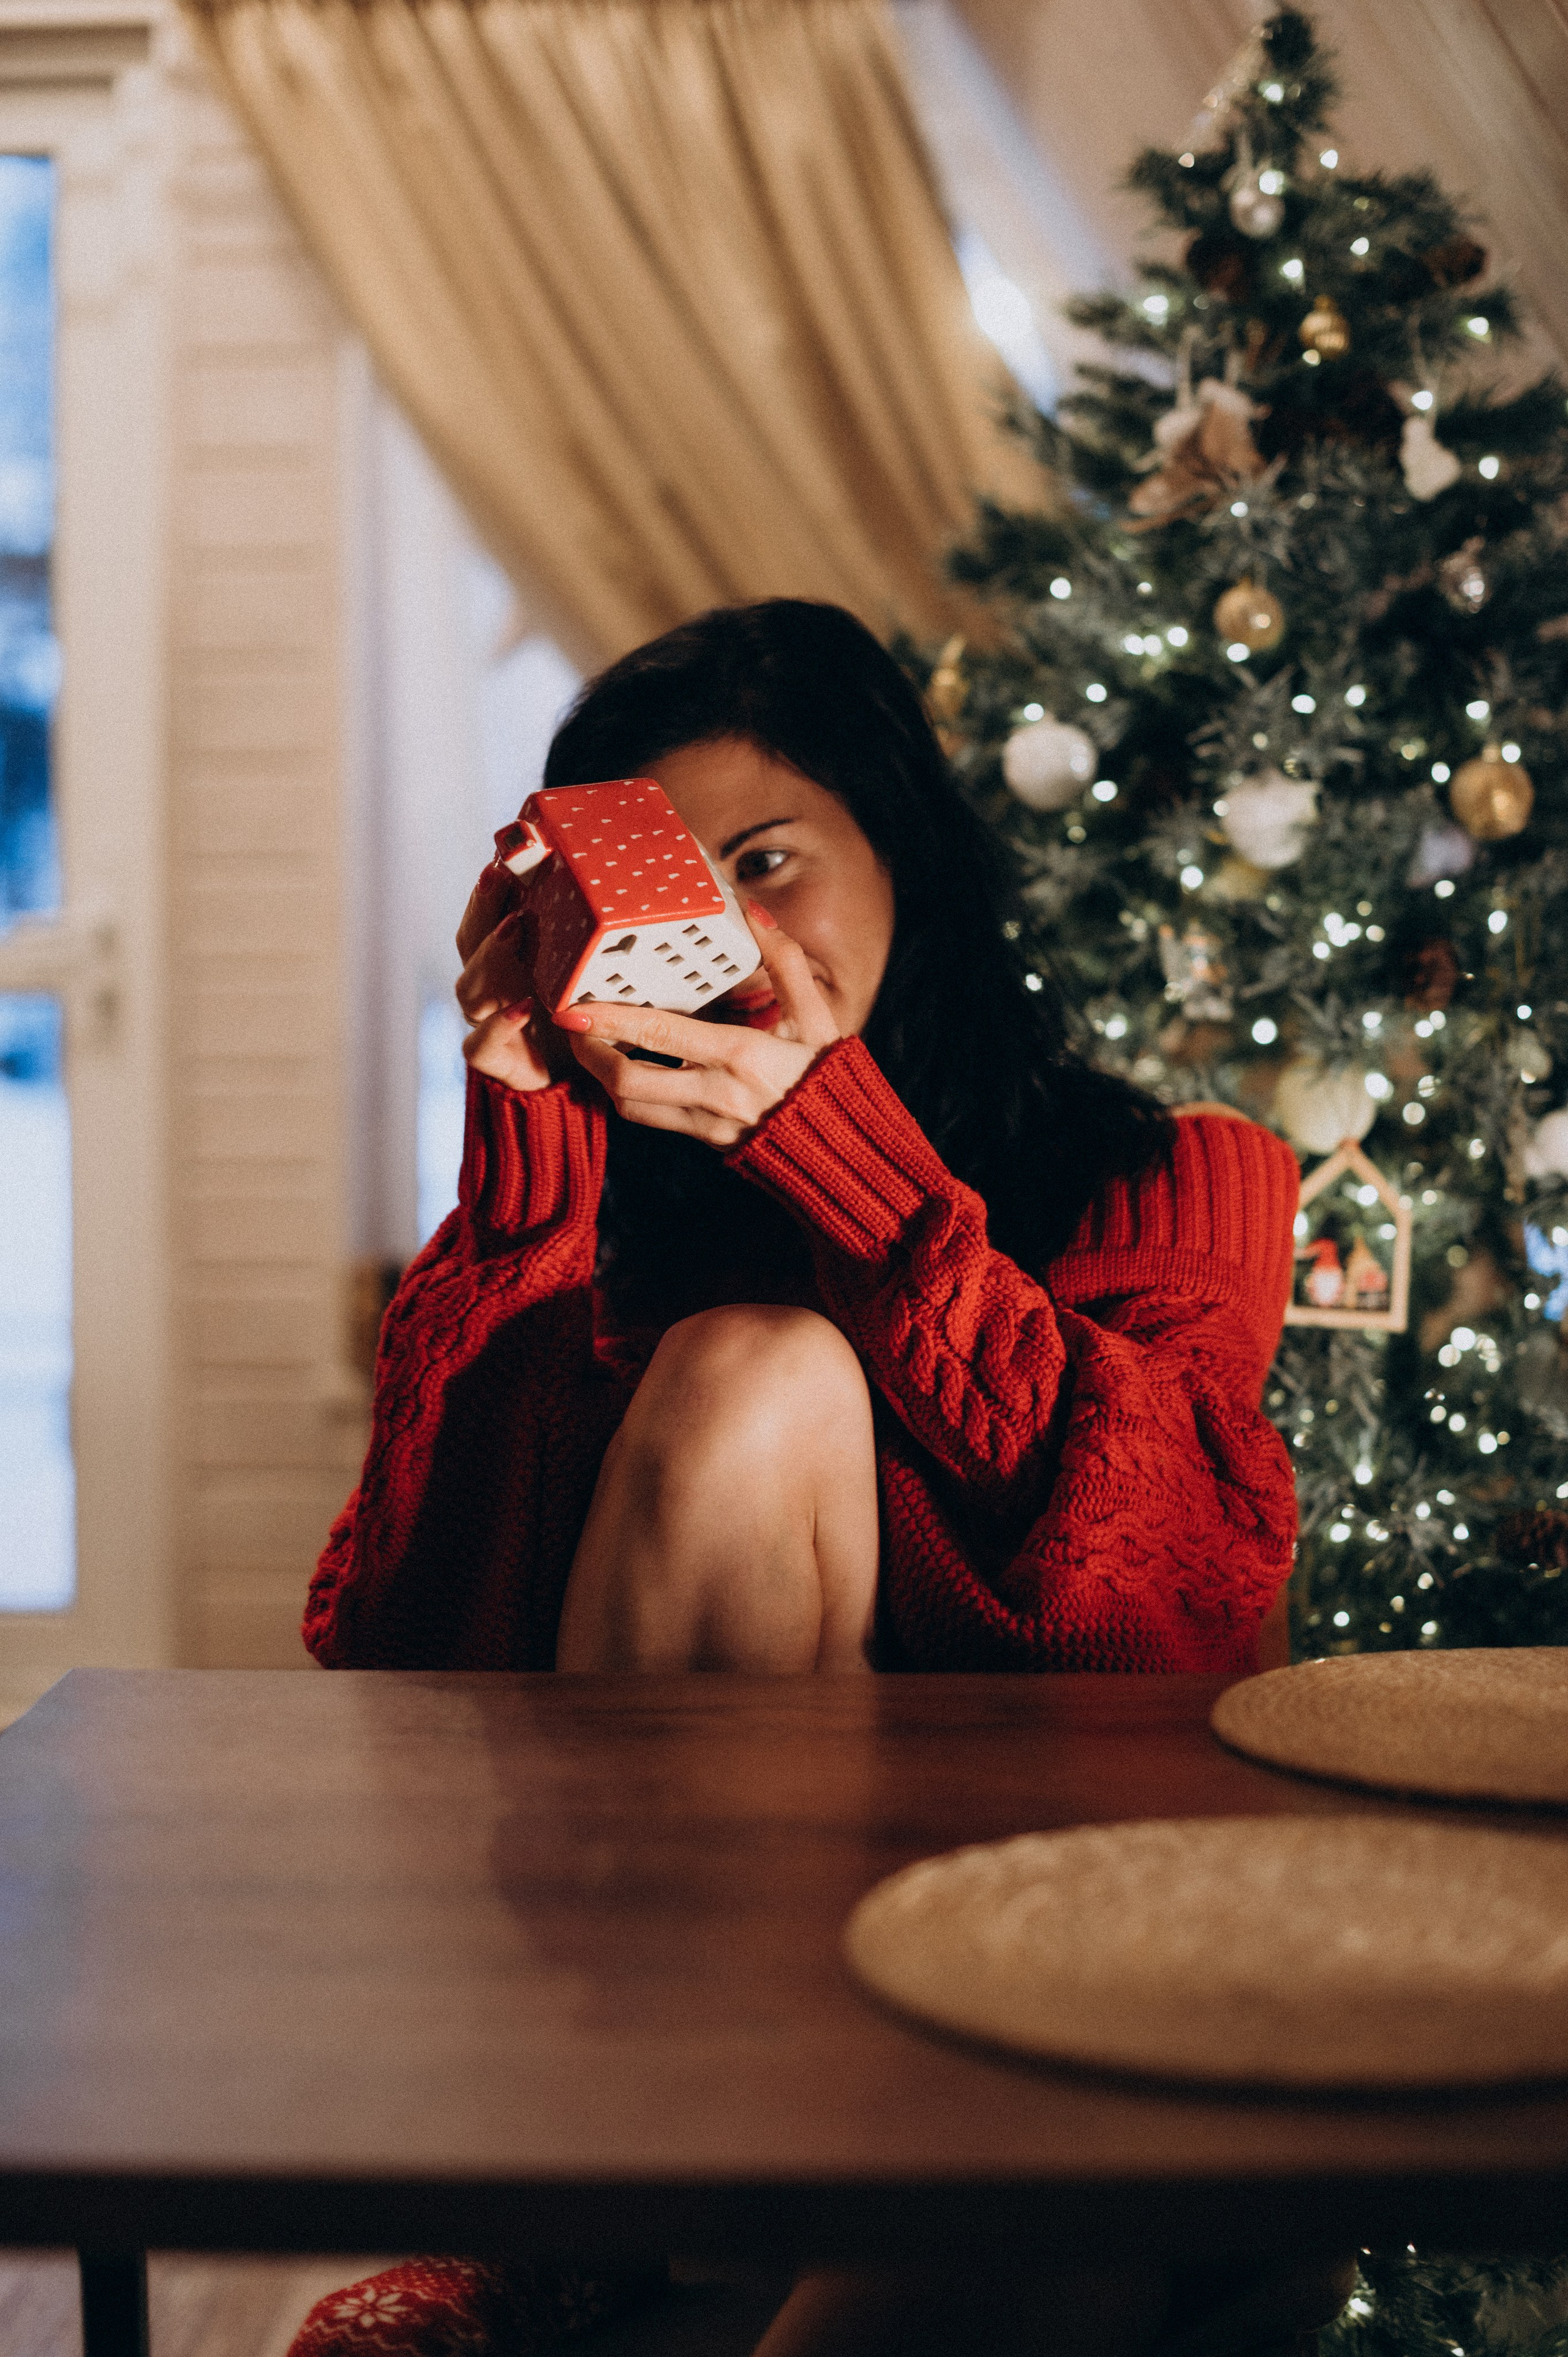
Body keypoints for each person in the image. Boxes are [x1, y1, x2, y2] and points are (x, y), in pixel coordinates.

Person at [292, 600, 1312, 2357]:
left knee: (1020, 2260)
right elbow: (408, 1658)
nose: (734, 936)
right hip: (662, 2002)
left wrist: (845, 1163)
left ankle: (691, 2207)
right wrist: (529, 1164)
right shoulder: (599, 1222)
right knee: (754, 1367)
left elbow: (1170, 1605)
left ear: (904, 856)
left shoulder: (1169, 1176)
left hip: (1046, 1968)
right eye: (672, 892)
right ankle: (598, 2197)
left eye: (770, 862)